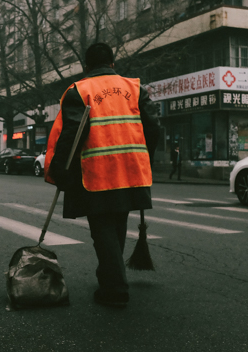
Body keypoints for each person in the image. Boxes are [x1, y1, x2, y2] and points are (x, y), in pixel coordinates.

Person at [44, 42, 160, 308]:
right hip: (131, 169)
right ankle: (109, 275)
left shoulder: (79, 90)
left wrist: (59, 171)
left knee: (103, 228)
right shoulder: (135, 89)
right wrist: (145, 157)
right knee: (117, 223)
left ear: (87, 66)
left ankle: (115, 288)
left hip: (98, 172)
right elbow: (152, 127)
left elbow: (71, 133)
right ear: (112, 64)